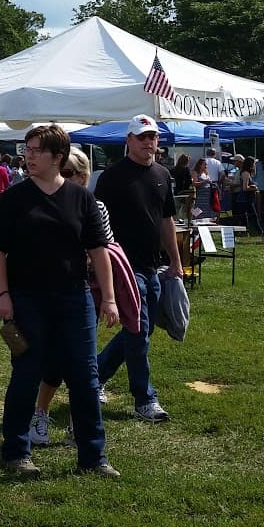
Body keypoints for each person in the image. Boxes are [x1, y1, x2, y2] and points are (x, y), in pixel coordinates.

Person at [0, 125, 120, 479]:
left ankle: (93, 457)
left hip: (74, 299)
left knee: (85, 377)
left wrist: (108, 298)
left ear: (57, 157)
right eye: (27, 149)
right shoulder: (15, 198)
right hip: (27, 299)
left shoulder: (82, 199)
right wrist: (3, 295)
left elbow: (98, 250)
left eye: (36, 150)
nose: (28, 156)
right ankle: (17, 452)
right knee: (27, 374)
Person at [93, 115, 182, 425]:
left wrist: (175, 259)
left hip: (152, 265)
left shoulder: (162, 174)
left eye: (153, 137)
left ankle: (96, 377)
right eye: (142, 136)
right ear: (128, 140)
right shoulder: (112, 177)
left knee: (140, 330)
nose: (148, 142)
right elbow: (97, 224)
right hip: (124, 266)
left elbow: (166, 220)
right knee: (139, 330)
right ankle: (145, 399)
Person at [28, 147, 118, 445]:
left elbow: (104, 248)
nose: (59, 178)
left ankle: (79, 428)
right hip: (47, 291)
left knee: (83, 365)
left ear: (82, 176)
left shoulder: (94, 206)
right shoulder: (39, 203)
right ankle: (39, 414)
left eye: (66, 173)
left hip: (83, 292)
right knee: (53, 359)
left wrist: (108, 296)